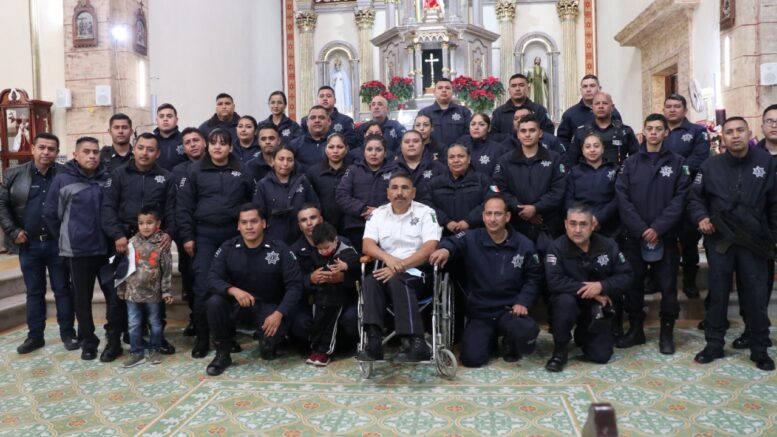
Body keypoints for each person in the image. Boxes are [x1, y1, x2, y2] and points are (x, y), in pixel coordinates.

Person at [689, 117, 777, 371]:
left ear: (749, 133)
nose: (735, 135)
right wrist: (701, 217)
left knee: (755, 295)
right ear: (723, 138)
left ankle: (759, 348)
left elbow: (774, 203)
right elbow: (694, 198)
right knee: (717, 294)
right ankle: (714, 344)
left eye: (740, 130)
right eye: (729, 132)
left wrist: (773, 239)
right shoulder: (710, 165)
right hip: (721, 240)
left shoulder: (766, 163)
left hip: (755, 242)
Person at [430, 194, 541, 367]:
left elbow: (533, 277)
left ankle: (509, 341)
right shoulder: (471, 237)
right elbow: (452, 242)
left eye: (498, 214)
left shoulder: (524, 244)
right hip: (480, 312)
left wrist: (523, 301)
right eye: (488, 214)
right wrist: (445, 250)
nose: (492, 219)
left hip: (509, 309)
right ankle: (490, 339)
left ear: (507, 217)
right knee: (472, 360)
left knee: (527, 332)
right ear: (483, 216)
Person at [615, 114, 690, 354]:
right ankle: (636, 330)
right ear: (644, 132)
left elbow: (680, 199)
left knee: (668, 287)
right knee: (633, 284)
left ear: (666, 133)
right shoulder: (630, 163)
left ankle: (666, 334)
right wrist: (641, 229)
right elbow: (622, 198)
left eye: (659, 129)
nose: (654, 132)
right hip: (634, 236)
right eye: (650, 128)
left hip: (665, 236)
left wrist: (658, 228)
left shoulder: (678, 163)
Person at [176, 128, 255, 358]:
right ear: (208, 146)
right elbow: (184, 207)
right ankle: (202, 338)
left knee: (233, 285)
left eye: (223, 143)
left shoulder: (243, 170)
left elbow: (252, 202)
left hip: (234, 235)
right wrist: (188, 237)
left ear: (230, 147)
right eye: (213, 143)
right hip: (205, 235)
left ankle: (228, 337)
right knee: (202, 286)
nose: (218, 147)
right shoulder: (194, 171)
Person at [43, 137, 121, 362]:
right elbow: (52, 214)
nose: (92, 156)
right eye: (86, 152)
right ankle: (89, 342)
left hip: (107, 250)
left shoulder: (108, 178)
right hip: (78, 251)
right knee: (82, 300)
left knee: (115, 297)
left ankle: (113, 340)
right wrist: (68, 237)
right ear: (75, 155)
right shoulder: (63, 180)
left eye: (95, 152)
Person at [0, 133, 77, 354]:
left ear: (57, 152)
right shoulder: (13, 174)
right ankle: (35, 336)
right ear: (33, 149)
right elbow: (2, 205)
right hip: (29, 245)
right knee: (34, 292)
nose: (46, 152)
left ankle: (68, 334)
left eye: (51, 149)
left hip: (57, 244)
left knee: (63, 290)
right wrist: (13, 231)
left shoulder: (66, 174)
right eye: (42, 147)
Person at [204, 204, 303, 375]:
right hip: (239, 304)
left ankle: (267, 339)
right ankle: (222, 354)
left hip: (269, 308)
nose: (249, 227)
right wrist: (233, 290)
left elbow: (295, 285)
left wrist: (279, 313)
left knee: (268, 352)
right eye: (244, 222)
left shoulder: (279, 249)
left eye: (254, 221)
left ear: (263, 223)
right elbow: (212, 278)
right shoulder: (228, 248)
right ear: (238, 226)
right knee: (214, 302)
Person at [101, 132, 176, 354]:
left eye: (150, 149)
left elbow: (172, 209)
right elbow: (108, 208)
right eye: (141, 148)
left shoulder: (166, 177)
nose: (145, 153)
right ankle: (114, 341)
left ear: (157, 153)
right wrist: (117, 235)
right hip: (124, 242)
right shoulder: (118, 174)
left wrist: (169, 233)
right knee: (118, 292)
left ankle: (157, 337)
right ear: (134, 149)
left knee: (155, 290)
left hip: (154, 242)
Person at [357, 171, 441, 362]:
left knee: (397, 281)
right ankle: (373, 342)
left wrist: (400, 266)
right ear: (388, 193)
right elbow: (367, 245)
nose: (399, 192)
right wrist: (388, 259)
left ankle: (416, 342)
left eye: (405, 188)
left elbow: (430, 248)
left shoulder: (426, 213)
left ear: (413, 192)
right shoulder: (378, 214)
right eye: (394, 188)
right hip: (388, 269)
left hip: (419, 273)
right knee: (370, 281)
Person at [544, 204, 632, 372]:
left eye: (583, 224)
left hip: (596, 307)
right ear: (566, 224)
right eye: (573, 224)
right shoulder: (556, 247)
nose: (577, 230)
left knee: (601, 356)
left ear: (592, 225)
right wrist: (590, 291)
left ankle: (583, 334)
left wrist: (602, 286)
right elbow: (554, 281)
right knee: (564, 302)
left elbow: (626, 276)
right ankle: (560, 350)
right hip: (570, 301)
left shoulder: (608, 245)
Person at [289, 206, 359, 353]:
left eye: (313, 217)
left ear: (321, 220)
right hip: (312, 300)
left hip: (343, 297)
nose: (309, 223)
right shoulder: (294, 250)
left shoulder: (342, 242)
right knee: (301, 323)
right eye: (304, 220)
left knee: (351, 319)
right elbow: (292, 283)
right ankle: (318, 349)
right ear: (299, 226)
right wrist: (310, 279)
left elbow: (359, 272)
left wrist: (343, 278)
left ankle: (341, 347)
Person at [663, 94, 710, 299]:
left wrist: (670, 170)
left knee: (689, 240)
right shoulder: (658, 129)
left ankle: (690, 280)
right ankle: (660, 280)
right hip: (662, 195)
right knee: (665, 239)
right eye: (668, 106)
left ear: (685, 109)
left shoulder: (697, 132)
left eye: (677, 106)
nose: (672, 110)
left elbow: (699, 160)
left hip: (689, 194)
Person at [493, 113, 566, 246]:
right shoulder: (504, 161)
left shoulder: (555, 159)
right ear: (518, 134)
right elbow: (498, 189)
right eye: (523, 131)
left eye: (532, 130)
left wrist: (536, 208)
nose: (527, 134)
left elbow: (558, 190)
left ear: (540, 133)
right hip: (515, 226)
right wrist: (521, 210)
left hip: (548, 226)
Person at [118, 206, 174, 368]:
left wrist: (166, 291)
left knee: (155, 322)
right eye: (141, 223)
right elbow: (123, 268)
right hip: (132, 293)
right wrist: (121, 288)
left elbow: (167, 270)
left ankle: (155, 349)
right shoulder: (131, 243)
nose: (145, 226)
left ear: (158, 223)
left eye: (149, 222)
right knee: (133, 323)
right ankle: (136, 352)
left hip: (153, 293)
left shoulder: (162, 244)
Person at [303, 222, 360, 366]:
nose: (324, 252)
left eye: (327, 247)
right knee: (317, 323)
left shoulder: (346, 251)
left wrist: (345, 266)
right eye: (320, 249)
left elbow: (358, 265)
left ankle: (326, 351)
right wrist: (313, 278)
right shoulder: (315, 254)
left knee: (330, 325)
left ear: (335, 239)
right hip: (320, 296)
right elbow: (310, 271)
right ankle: (315, 349)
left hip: (337, 298)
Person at [335, 134, 398, 253]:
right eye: (369, 149)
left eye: (378, 150)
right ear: (363, 152)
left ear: (385, 153)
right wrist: (363, 209)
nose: (373, 153)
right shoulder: (353, 170)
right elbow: (341, 195)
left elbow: (400, 197)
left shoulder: (395, 170)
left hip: (387, 225)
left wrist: (379, 212)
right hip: (357, 226)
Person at [171, 127, 205, 337]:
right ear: (183, 148)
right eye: (187, 142)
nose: (192, 145)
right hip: (186, 233)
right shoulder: (177, 172)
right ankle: (195, 319)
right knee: (191, 278)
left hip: (210, 231)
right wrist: (183, 234)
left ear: (205, 143)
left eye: (196, 140)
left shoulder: (215, 165)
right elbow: (176, 205)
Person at [253, 146, 319, 244]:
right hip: (273, 239)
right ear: (273, 161)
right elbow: (258, 214)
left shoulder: (303, 181)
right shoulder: (263, 185)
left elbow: (315, 206)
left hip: (301, 239)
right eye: (281, 159)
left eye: (289, 160)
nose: (285, 163)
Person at [564, 133, 619, 237]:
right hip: (579, 225)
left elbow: (617, 199)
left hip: (609, 227)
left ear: (603, 149)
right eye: (588, 146)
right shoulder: (574, 172)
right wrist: (584, 219)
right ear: (582, 150)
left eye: (596, 146)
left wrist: (599, 218)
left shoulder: (615, 170)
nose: (592, 150)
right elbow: (568, 200)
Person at [428, 144, 489, 236]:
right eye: (451, 157)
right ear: (447, 161)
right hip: (443, 235)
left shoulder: (482, 180)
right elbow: (427, 206)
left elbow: (491, 203)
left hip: (476, 235)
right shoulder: (435, 183)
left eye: (461, 156)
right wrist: (445, 221)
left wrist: (469, 221)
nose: (456, 160)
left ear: (469, 159)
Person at [566, 92, 639, 168]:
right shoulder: (581, 133)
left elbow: (636, 159)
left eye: (605, 103)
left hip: (619, 174)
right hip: (588, 174)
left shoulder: (625, 131)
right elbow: (572, 161)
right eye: (597, 103)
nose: (601, 106)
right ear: (592, 108)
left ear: (612, 107)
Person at [556, 74, 623, 149]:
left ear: (599, 88)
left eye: (592, 86)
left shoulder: (611, 112)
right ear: (581, 90)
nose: (588, 89)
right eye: (585, 86)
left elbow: (620, 135)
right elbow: (562, 140)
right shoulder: (570, 115)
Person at [306, 133, 349, 231]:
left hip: (348, 226)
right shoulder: (313, 172)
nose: (335, 151)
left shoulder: (353, 171)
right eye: (331, 147)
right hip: (322, 226)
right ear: (325, 149)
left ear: (346, 149)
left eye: (340, 147)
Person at [418, 78, 472, 148]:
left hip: (458, 153)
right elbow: (418, 135)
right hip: (432, 153)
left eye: (447, 88)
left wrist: (457, 149)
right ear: (434, 92)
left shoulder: (464, 112)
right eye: (440, 88)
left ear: (452, 92)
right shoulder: (424, 113)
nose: (444, 90)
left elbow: (469, 134)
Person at [395, 130, 446, 205]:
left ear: (423, 146)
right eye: (407, 142)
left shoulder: (438, 168)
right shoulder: (390, 169)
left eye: (415, 141)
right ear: (401, 146)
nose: (411, 145)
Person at [291, 105, 333, 172]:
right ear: (307, 122)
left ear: (329, 121)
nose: (317, 120)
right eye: (313, 118)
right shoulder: (295, 145)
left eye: (321, 118)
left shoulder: (338, 144)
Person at [153, 103, 187, 171]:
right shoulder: (151, 141)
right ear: (157, 120)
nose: (165, 119)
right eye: (161, 116)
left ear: (176, 120)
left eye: (169, 116)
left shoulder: (185, 140)